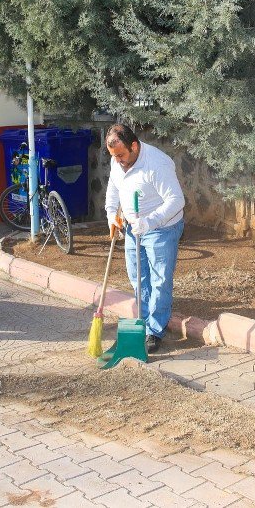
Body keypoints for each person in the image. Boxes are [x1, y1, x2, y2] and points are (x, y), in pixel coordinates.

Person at [104, 124, 185, 353]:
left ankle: (155, 330)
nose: (118, 160)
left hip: (162, 229)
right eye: (114, 156)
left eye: (121, 155)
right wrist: (112, 215)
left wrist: (148, 223)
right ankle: (145, 323)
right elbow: (113, 187)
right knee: (138, 277)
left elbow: (176, 200)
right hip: (132, 227)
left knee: (160, 279)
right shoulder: (117, 159)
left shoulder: (157, 164)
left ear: (134, 146)